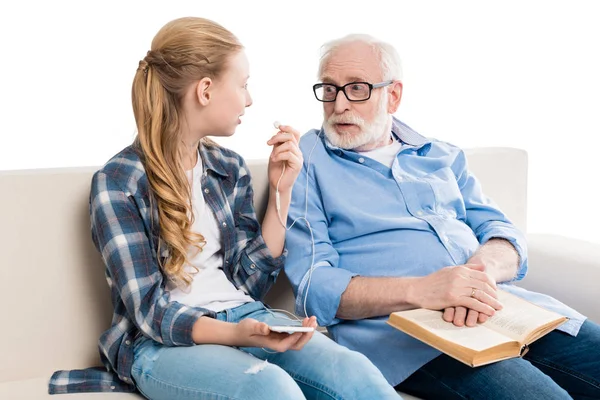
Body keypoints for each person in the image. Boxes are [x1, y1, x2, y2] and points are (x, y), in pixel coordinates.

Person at [47, 19, 399, 399]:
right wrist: (234, 334)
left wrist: (283, 190)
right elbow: (150, 313)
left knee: (355, 372)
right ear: (205, 90)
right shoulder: (118, 182)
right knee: (270, 388)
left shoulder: (228, 169)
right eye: (244, 84)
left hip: (245, 316)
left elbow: (249, 285)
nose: (249, 100)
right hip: (159, 344)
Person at [284, 33, 600, 400]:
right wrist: (422, 291)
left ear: (394, 95)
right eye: (329, 89)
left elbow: (501, 231)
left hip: (501, 309)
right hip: (412, 338)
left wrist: (482, 272)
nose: (339, 105)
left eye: (356, 88)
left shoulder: (439, 155)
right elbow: (312, 286)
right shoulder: (305, 161)